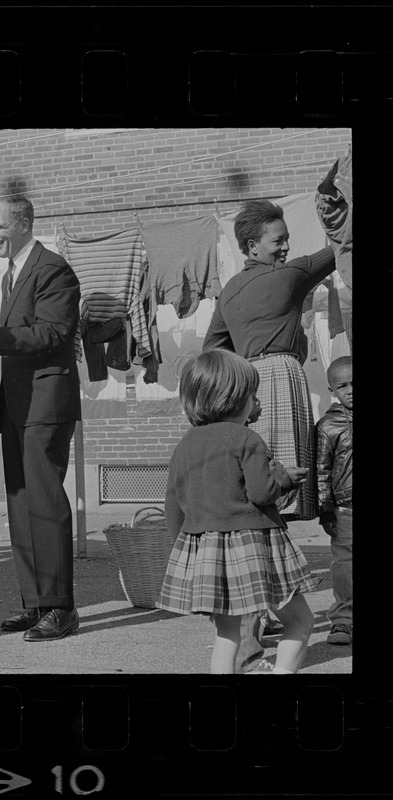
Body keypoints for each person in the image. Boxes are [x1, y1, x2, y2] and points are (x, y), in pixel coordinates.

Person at [203, 198, 336, 671]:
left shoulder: (229, 292)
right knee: (269, 499)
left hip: (243, 390)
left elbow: (211, 353)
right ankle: (255, 629)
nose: (285, 248)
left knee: (254, 500)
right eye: (278, 241)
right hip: (280, 380)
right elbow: (343, 246)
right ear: (251, 245)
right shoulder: (290, 274)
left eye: (286, 241)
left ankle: (252, 625)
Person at [0, 193, 81, 642]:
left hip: (46, 404)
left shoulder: (52, 269)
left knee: (44, 503)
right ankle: (35, 604)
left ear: (23, 224)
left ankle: (61, 607)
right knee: (21, 506)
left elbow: (53, 332)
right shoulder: (13, 273)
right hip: (18, 406)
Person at [158, 349, 318, 674]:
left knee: (227, 637)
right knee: (301, 621)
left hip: (206, 553)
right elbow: (262, 493)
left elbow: (173, 507)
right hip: (255, 550)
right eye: (252, 394)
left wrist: (187, 554)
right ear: (237, 399)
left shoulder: (185, 445)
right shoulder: (247, 438)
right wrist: (283, 478)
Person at [316, 356, 353, 646]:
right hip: (345, 510)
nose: (350, 389)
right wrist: (325, 510)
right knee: (344, 566)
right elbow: (321, 471)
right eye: (342, 386)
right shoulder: (328, 425)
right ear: (332, 391)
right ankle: (342, 621)